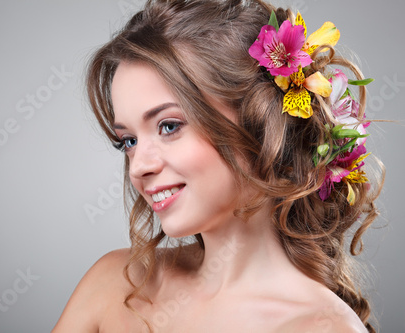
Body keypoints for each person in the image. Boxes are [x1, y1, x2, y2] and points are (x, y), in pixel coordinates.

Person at [53, 0, 384, 331]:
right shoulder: (114, 284)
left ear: (263, 124)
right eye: (128, 141)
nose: (138, 167)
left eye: (169, 126)